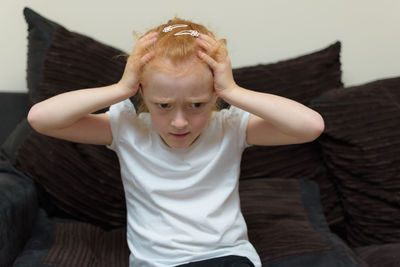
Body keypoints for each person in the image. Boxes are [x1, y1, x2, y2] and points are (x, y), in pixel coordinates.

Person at [27, 17, 325, 267]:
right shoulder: (125, 127)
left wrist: (233, 90)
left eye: (196, 105)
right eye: (164, 106)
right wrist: (121, 88)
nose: (180, 122)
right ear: (142, 94)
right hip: (157, 263)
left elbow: (310, 127)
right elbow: (41, 119)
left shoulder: (230, 127)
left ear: (214, 96)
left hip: (226, 256)